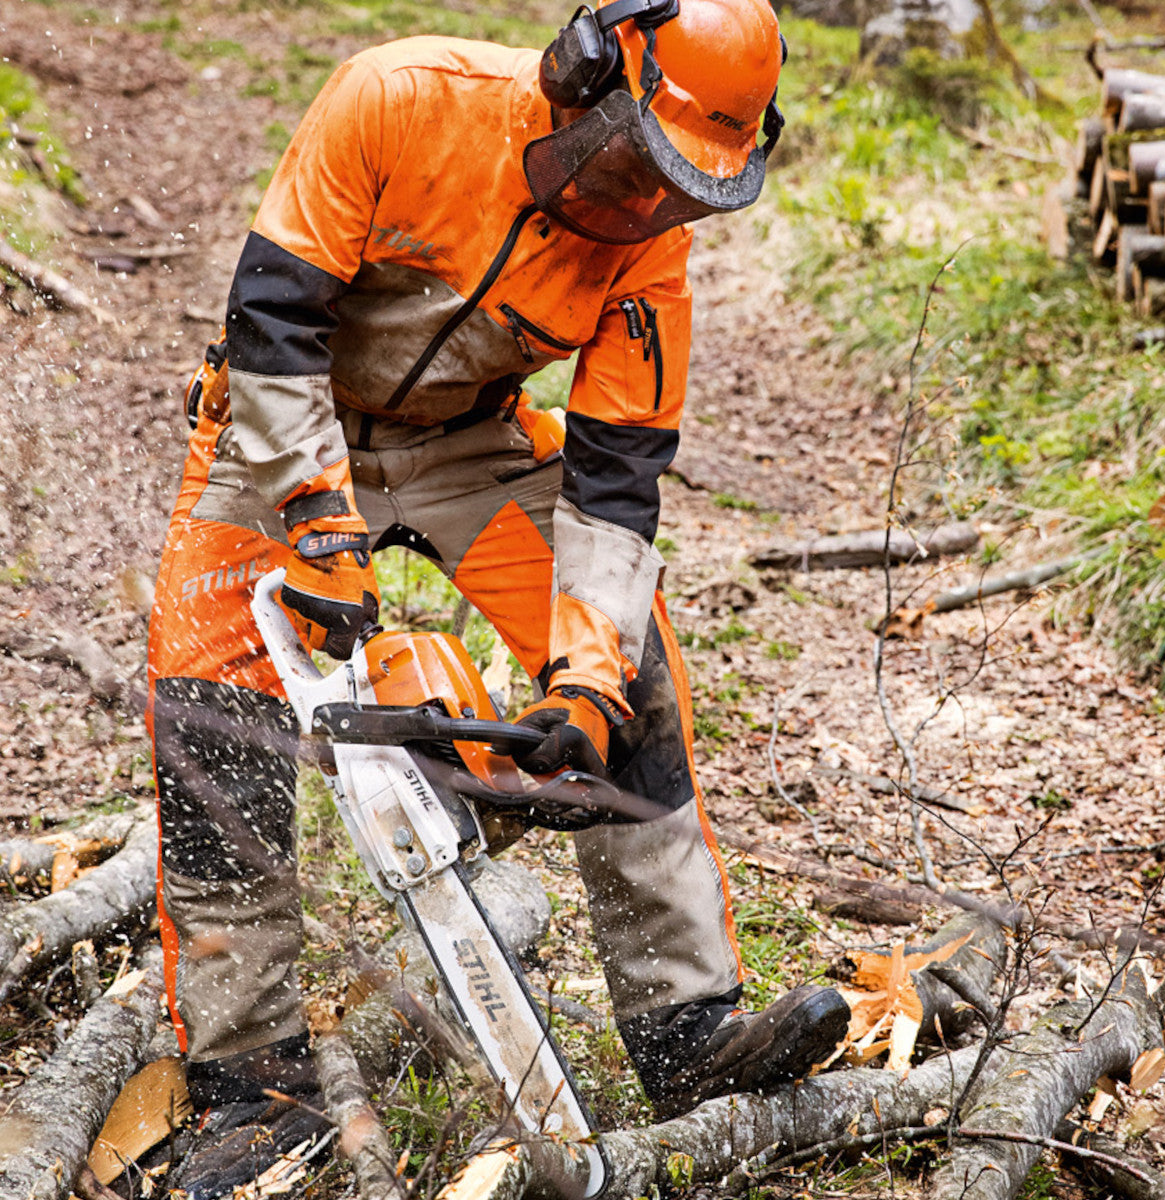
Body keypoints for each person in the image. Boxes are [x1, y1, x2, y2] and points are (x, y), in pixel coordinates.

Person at [147, 0, 851, 1190]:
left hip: (471, 440)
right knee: (212, 715)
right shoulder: (403, 101)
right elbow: (270, 322)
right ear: (583, 73)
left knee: (633, 675)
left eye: (681, 186)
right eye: (639, 165)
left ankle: (686, 1030)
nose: (646, 204)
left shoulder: (653, 240)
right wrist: (320, 531)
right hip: (286, 430)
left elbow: (618, 480)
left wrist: (583, 685)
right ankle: (250, 1088)